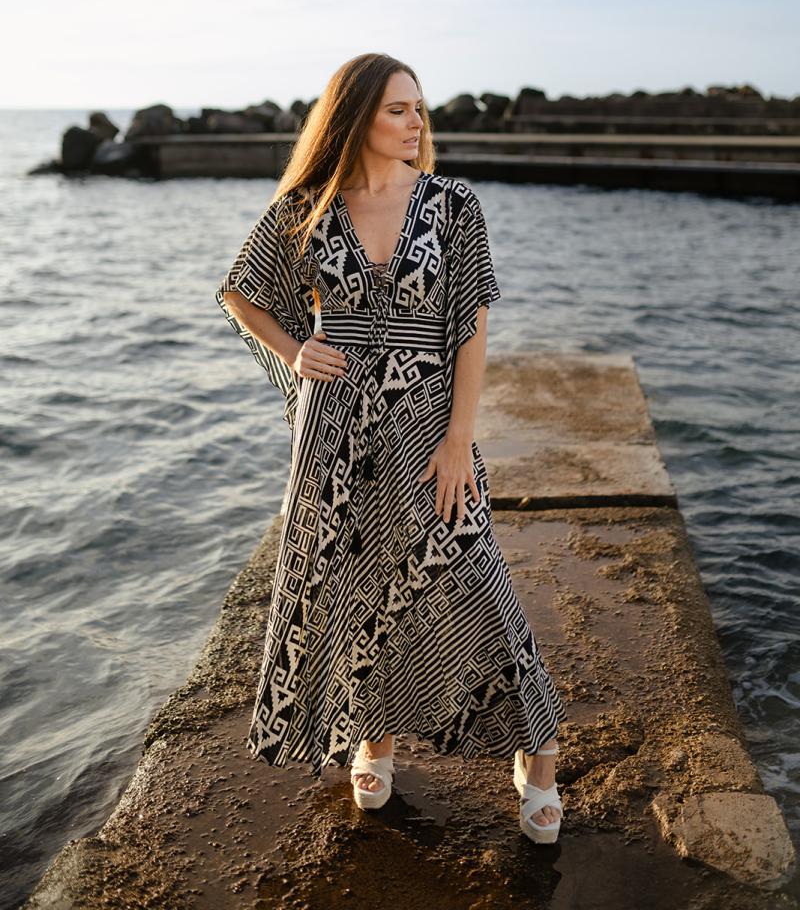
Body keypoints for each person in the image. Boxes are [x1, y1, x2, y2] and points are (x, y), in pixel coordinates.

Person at [215, 52, 567, 842]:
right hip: (334, 434)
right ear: (355, 117)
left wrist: (458, 439)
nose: (417, 123)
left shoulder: (452, 204)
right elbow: (241, 291)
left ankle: (537, 751)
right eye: (398, 109)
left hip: (427, 425)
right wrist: (295, 350)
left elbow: (471, 327)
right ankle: (372, 739)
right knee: (358, 587)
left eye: (419, 109)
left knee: (474, 574)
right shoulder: (306, 207)